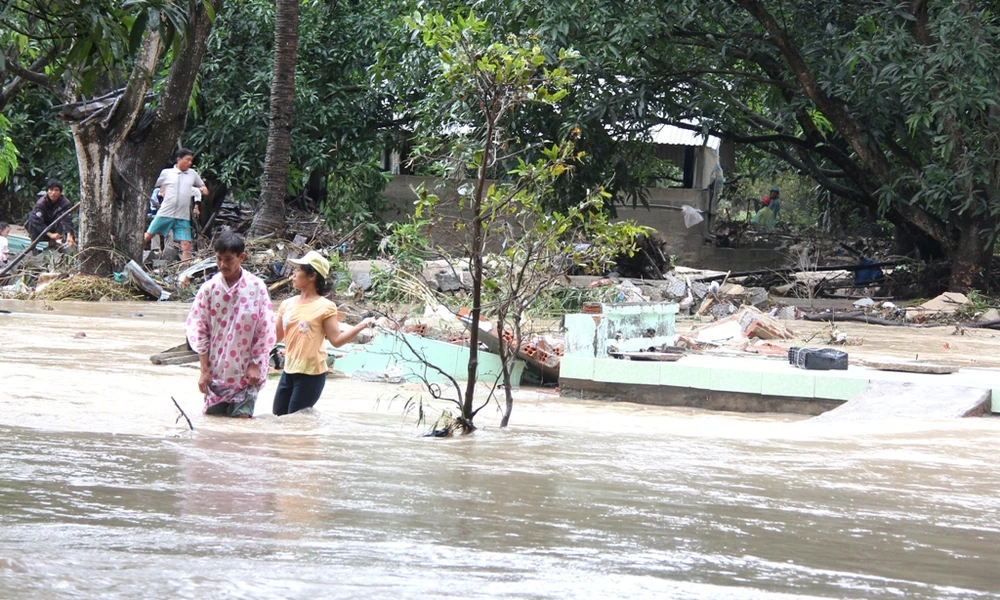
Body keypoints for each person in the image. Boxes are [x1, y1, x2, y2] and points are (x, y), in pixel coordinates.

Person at [185, 231, 276, 418]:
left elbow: (264, 330)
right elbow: (198, 330)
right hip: (216, 371)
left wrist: (255, 364)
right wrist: (204, 370)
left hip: (246, 373)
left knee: (242, 424)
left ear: (241, 257)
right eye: (218, 259)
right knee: (213, 426)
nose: (222, 265)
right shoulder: (209, 290)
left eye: (228, 259)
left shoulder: (256, 288)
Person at [273, 250, 374, 416]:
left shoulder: (326, 306)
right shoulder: (286, 304)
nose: (293, 275)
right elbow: (275, 337)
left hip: (311, 373)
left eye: (298, 271)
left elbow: (336, 340)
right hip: (289, 370)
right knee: (278, 416)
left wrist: (360, 326)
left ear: (312, 276)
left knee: (295, 420)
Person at [144, 148, 209, 262]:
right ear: (179, 159)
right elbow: (151, 183)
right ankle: (132, 256)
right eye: (187, 160)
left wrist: (203, 189)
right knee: (149, 235)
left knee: (186, 244)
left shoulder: (192, 174)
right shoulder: (167, 173)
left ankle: (185, 271)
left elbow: (202, 186)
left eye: (191, 160)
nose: (190, 163)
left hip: (182, 215)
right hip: (166, 212)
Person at [26, 179, 76, 250]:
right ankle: (33, 245)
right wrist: (50, 234)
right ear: (47, 191)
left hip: (54, 225)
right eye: (51, 190)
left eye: (56, 190)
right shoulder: (41, 203)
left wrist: (69, 235)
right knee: (32, 219)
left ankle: (53, 243)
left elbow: (67, 219)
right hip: (41, 226)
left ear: (60, 192)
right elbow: (36, 220)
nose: (53, 193)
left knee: (61, 218)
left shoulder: (65, 203)